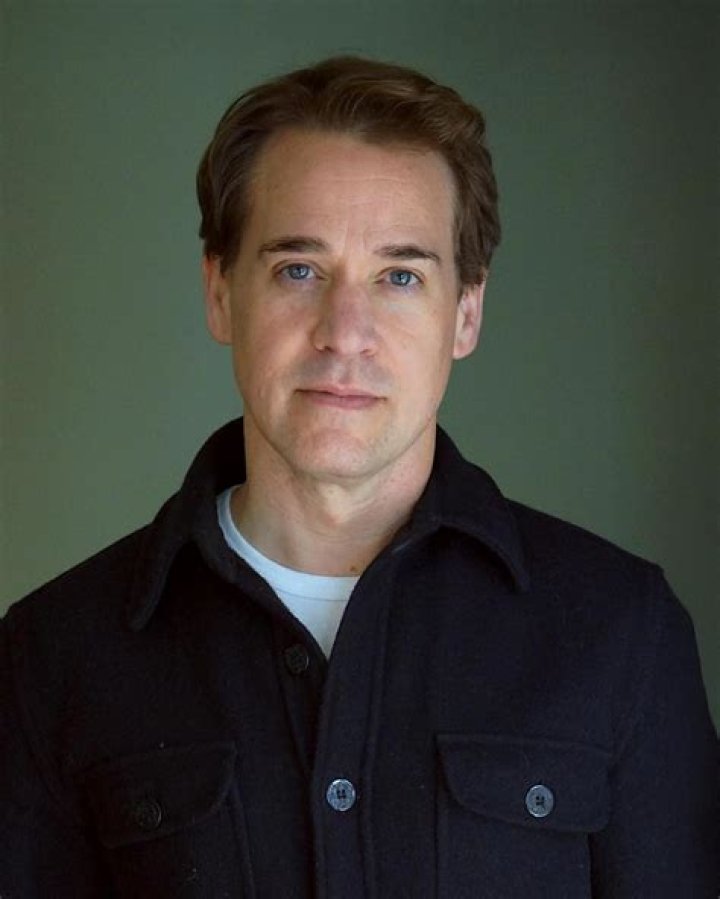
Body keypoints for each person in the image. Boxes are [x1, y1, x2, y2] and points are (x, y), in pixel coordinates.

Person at [0, 56, 717, 898]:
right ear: (220, 291)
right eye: (298, 269)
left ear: (467, 312)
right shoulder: (52, 656)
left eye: (400, 276)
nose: (345, 332)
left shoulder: (623, 634)